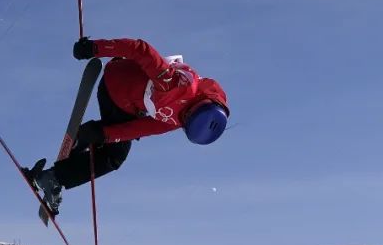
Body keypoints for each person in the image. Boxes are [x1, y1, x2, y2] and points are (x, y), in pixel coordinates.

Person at [25, 36, 230, 213]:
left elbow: (145, 128)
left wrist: (105, 134)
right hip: (117, 91)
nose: (181, 121)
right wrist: (96, 48)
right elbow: (140, 49)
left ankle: (78, 147)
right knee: (114, 157)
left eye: (184, 123)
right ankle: (57, 174)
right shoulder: (173, 84)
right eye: (185, 118)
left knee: (113, 148)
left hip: (129, 104)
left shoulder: (181, 119)